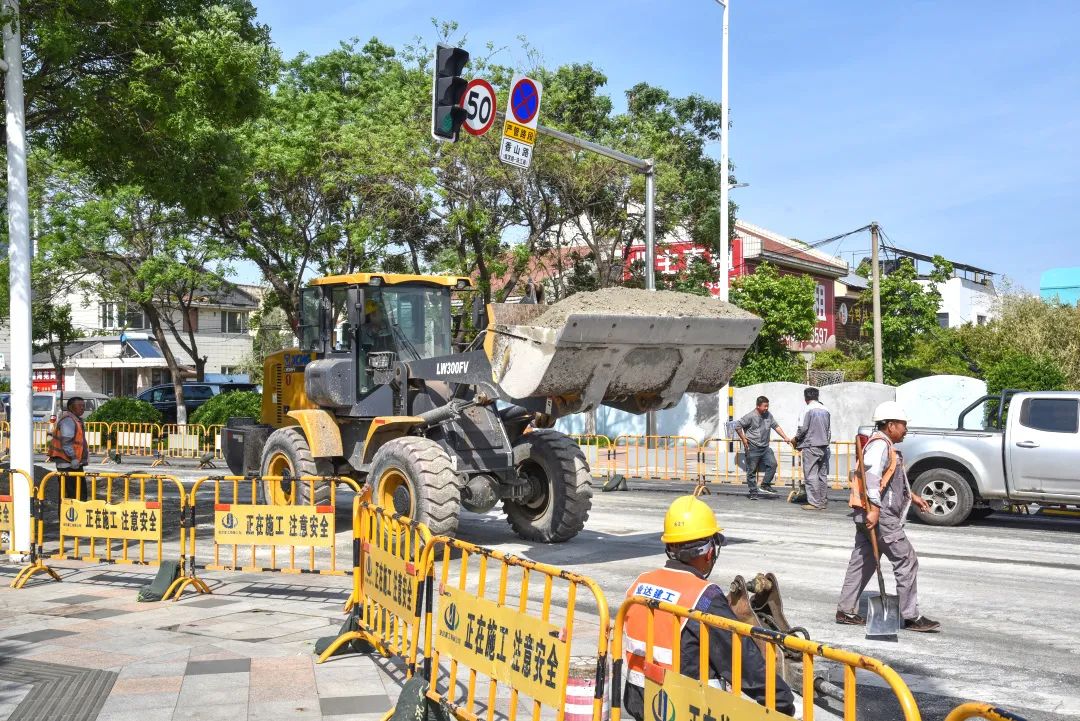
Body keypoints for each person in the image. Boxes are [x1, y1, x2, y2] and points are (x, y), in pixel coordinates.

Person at [621, 496, 796, 719]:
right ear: (708, 551)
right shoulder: (703, 598)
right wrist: (784, 702)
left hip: (642, 704)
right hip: (686, 708)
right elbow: (743, 663)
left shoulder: (640, 584)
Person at [836, 401, 940, 632]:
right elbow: (871, 479)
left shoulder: (884, 445)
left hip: (872, 513)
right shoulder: (880, 445)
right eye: (903, 425)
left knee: (863, 562)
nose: (905, 429)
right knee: (906, 560)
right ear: (891, 425)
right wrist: (875, 510)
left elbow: (888, 479)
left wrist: (912, 496)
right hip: (881, 516)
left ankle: (845, 610)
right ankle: (910, 615)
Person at [735, 396, 793, 499]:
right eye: (764, 406)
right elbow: (737, 425)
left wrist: (785, 437)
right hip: (752, 447)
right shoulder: (750, 416)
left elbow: (776, 426)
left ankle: (765, 484)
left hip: (765, 448)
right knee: (751, 471)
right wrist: (743, 439)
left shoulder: (768, 415)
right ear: (758, 406)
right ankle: (753, 492)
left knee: (773, 464)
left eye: (767, 406)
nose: (766, 408)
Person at [793, 387, 832, 510]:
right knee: (822, 475)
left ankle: (814, 503)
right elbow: (828, 430)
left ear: (806, 398)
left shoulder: (807, 409)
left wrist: (796, 440)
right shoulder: (826, 409)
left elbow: (802, 429)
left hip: (811, 446)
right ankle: (822, 501)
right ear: (817, 397)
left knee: (811, 474)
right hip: (824, 446)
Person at [47, 396, 89, 498]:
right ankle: (66, 514)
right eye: (79, 406)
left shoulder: (75, 420)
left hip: (73, 463)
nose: (82, 408)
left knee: (78, 494)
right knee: (71, 495)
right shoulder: (69, 421)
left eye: (83, 406)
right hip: (67, 463)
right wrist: (73, 458)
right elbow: (66, 442)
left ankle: (75, 513)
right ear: (71, 407)